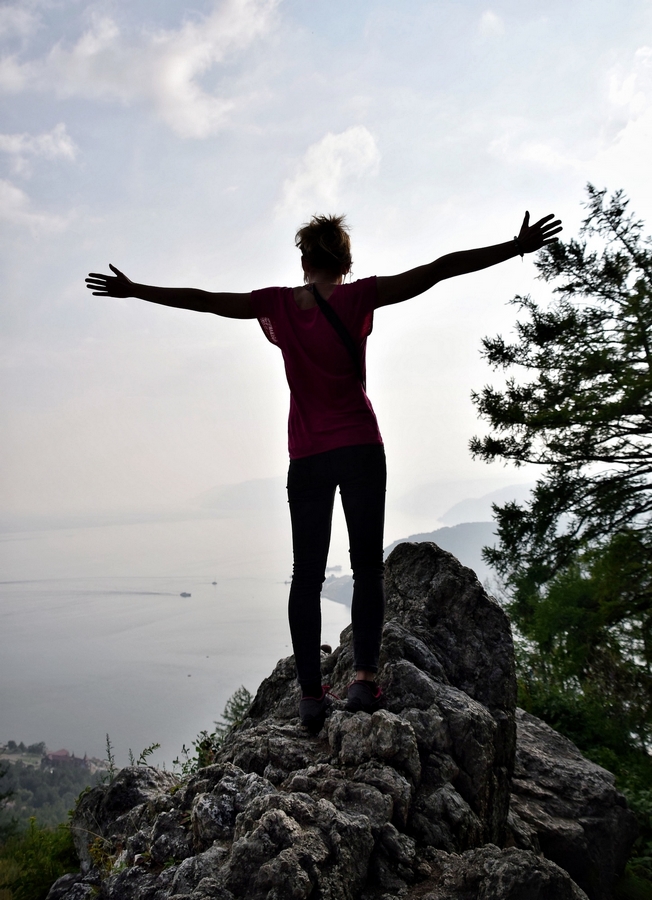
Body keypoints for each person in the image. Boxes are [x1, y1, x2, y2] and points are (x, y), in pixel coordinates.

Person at [85, 210, 562, 732]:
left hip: (307, 455)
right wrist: (513, 247)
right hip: (360, 446)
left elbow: (206, 300)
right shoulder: (359, 297)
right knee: (367, 569)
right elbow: (438, 268)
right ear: (345, 262)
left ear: (305, 261)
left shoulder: (277, 304)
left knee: (307, 575)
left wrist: (137, 290)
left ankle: (311, 696)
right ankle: (362, 680)